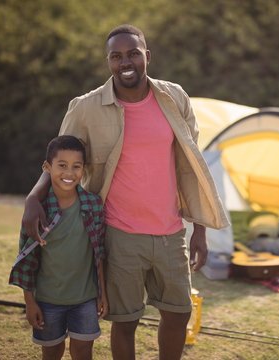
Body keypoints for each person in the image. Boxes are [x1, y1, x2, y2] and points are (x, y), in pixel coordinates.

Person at [21, 24, 230, 360]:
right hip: (119, 234)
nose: (125, 62)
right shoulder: (86, 107)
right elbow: (58, 160)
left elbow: (191, 167)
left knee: (179, 313)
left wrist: (200, 230)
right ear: (108, 62)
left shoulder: (175, 97)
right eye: (116, 56)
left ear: (147, 55)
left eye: (133, 53)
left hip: (170, 232)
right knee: (125, 321)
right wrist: (33, 199)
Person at [9, 135, 108, 360]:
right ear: (47, 167)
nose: (69, 173)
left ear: (84, 169)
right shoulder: (37, 212)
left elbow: (99, 253)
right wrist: (30, 302)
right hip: (47, 301)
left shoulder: (93, 205)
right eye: (62, 165)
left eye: (76, 166)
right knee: (52, 351)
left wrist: (102, 294)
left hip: (85, 299)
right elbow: (26, 258)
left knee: (83, 351)